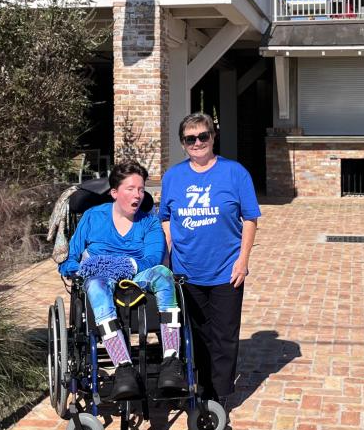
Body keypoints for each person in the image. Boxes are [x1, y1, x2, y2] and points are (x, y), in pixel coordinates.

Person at [58, 161, 187, 399]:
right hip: (100, 278)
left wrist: (122, 266)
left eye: (140, 189)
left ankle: (171, 362)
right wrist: (80, 270)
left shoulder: (149, 221)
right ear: (115, 193)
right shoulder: (92, 217)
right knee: (95, 285)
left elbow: (153, 259)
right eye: (130, 189)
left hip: (138, 275)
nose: (137, 195)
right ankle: (123, 368)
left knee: (164, 274)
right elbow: (70, 258)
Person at [160, 112, 260, 409]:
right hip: (186, 272)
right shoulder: (173, 177)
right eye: (190, 139)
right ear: (183, 143)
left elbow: (251, 218)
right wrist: (165, 260)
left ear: (213, 137)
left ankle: (219, 394)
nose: (197, 143)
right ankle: (199, 386)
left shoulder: (235, 173)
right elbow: (166, 218)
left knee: (224, 335)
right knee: (195, 335)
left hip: (226, 271)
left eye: (203, 136)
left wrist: (242, 260)